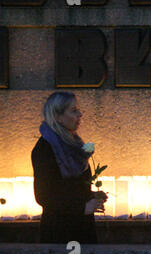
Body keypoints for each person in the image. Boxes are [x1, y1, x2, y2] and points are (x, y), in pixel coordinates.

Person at [31, 92, 106, 244]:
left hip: (82, 230)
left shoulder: (74, 144)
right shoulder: (45, 149)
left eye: (78, 110)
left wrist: (92, 196)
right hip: (60, 233)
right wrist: (82, 207)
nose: (80, 114)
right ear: (58, 116)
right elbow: (44, 196)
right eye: (73, 111)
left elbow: (72, 188)